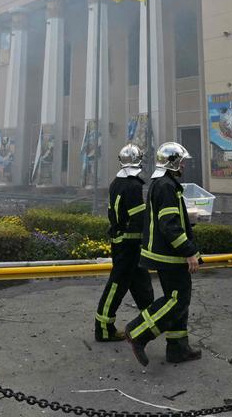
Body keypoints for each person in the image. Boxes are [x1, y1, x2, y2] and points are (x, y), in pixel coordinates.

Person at [125, 142, 202, 366]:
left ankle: (178, 349)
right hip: (171, 257)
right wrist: (189, 252)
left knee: (179, 300)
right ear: (173, 162)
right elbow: (169, 224)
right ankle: (137, 331)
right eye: (182, 161)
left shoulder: (162, 184)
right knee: (176, 301)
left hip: (166, 255)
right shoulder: (167, 186)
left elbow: (168, 221)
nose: (184, 165)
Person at [94, 144, 154, 342]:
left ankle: (152, 322)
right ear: (139, 160)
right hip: (129, 244)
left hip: (124, 242)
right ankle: (103, 328)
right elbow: (138, 217)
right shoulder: (133, 185)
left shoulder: (116, 182)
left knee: (141, 284)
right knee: (117, 285)